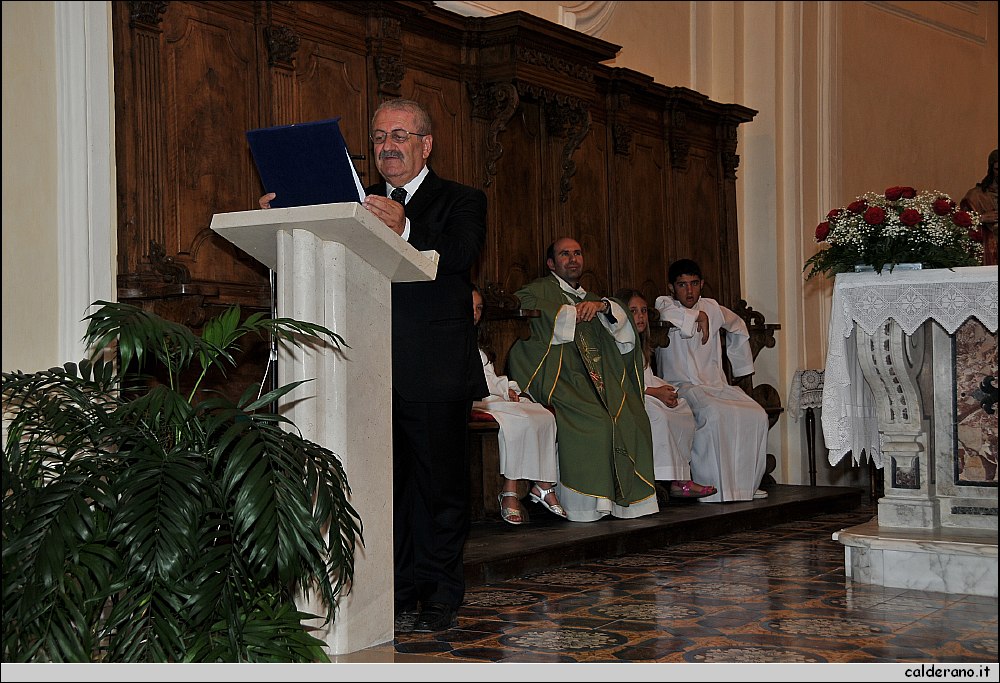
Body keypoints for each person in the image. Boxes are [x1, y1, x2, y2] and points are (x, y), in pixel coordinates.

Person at [261, 98, 487, 633]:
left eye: (400, 135)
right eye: (380, 137)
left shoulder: (461, 199)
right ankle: (398, 591)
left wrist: (406, 230)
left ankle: (440, 593)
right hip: (365, 366)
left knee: (440, 491)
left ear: (426, 145)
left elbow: (459, 255)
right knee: (388, 490)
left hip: (433, 369)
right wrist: (285, 215)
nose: (388, 146)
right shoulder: (355, 201)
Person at [506, 237, 658, 522]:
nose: (573, 259)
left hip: (595, 378)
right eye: (565, 254)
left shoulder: (592, 297)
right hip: (560, 376)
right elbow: (519, 303)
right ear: (551, 263)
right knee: (597, 422)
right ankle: (587, 506)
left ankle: (622, 503)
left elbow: (620, 323)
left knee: (632, 416)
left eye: (577, 253)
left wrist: (602, 307)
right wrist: (570, 313)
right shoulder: (539, 289)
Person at [653, 259, 768, 503]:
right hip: (681, 386)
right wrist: (698, 316)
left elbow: (738, 325)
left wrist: (742, 367)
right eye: (682, 285)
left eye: (694, 284)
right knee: (713, 414)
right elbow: (668, 314)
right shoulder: (664, 304)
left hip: (715, 384)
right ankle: (711, 485)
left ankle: (744, 485)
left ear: (702, 284)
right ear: (671, 287)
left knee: (757, 414)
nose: (689, 291)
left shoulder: (713, 307)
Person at [471, 286, 566, 524]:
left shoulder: (477, 340)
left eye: (479, 308)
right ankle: (509, 491)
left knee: (543, 415)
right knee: (518, 419)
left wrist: (509, 389)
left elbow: (491, 376)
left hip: (492, 395)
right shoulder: (450, 339)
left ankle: (543, 484)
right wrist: (502, 390)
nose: (474, 313)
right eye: (469, 307)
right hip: (472, 397)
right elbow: (476, 380)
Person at [614, 288, 717, 501]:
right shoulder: (616, 342)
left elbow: (646, 375)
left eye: (643, 311)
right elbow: (619, 381)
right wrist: (655, 392)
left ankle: (681, 479)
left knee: (682, 409)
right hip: (627, 395)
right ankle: (657, 477)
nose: (640, 316)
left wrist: (664, 392)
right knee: (657, 415)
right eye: (633, 311)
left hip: (646, 389)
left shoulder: (640, 342)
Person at [960, 148, 998, 266]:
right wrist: (980, 218)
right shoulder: (975, 196)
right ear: (991, 170)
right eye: (997, 169)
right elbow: (960, 225)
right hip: (987, 252)